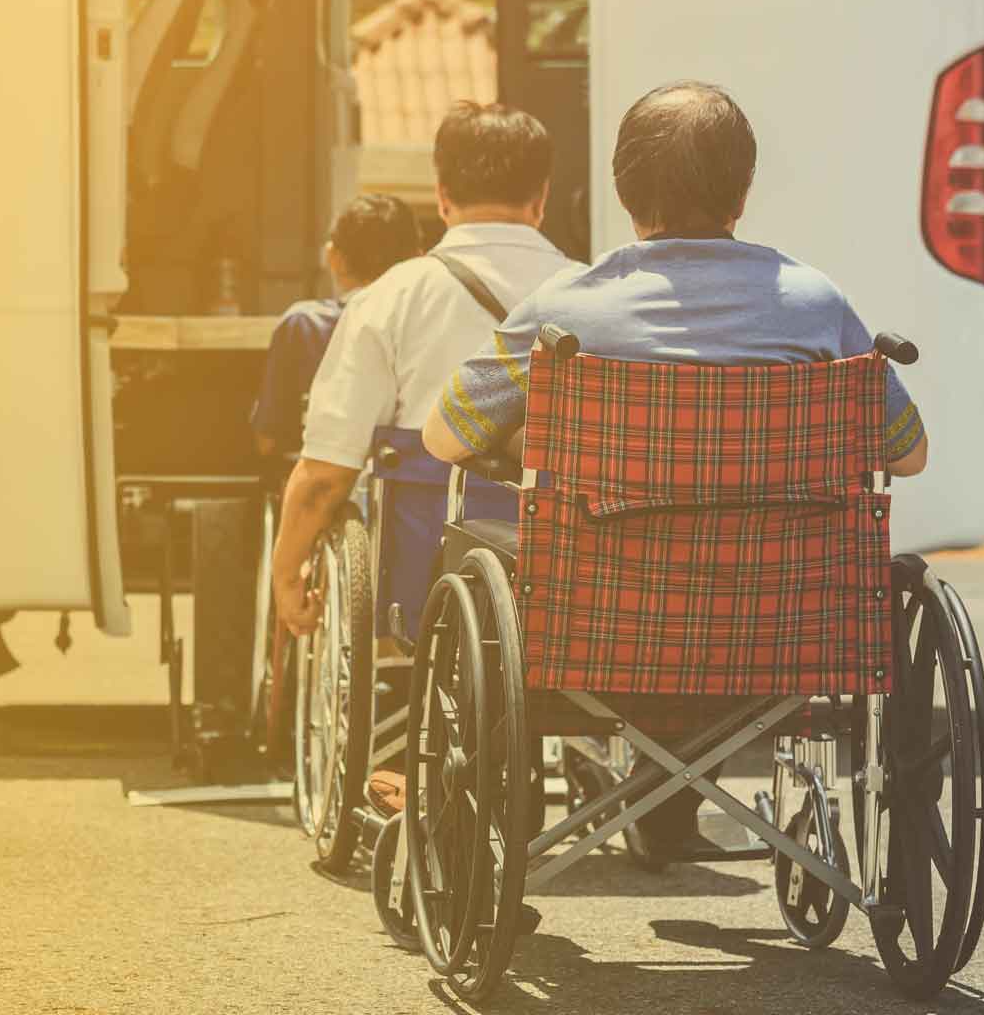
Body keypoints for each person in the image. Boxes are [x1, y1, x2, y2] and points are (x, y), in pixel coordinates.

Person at [422, 80, 929, 852]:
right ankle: (680, 806)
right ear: (744, 189)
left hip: (604, 628)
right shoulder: (815, 304)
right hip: (785, 626)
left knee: (484, 537)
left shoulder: (569, 310)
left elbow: (445, 437)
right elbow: (909, 453)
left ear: (624, 188)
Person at [271, 103, 574, 637]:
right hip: (562, 590)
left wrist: (285, 573)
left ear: (442, 195)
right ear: (542, 197)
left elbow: (325, 476)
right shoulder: (589, 296)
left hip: (421, 589)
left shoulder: (390, 297)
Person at [251, 194, 421, 458]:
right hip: (406, 482)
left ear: (334, 258)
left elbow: (268, 440)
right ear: (418, 257)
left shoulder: (304, 325)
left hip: (322, 486)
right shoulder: (427, 320)